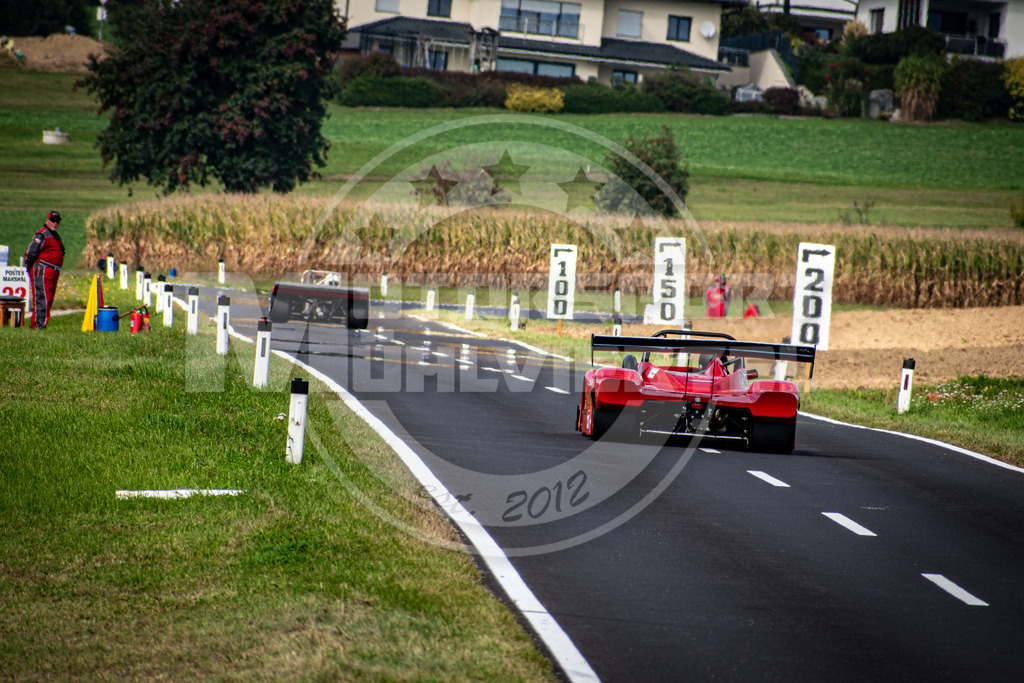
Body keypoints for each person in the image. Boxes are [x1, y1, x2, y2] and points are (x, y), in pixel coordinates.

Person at [24, 210, 66, 329]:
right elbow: (31, 253)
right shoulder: (42, 234)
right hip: (43, 270)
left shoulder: (55, 236)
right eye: (53, 220)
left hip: (53, 271)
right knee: (42, 298)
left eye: (57, 221)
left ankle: (42, 324)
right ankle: (37, 325)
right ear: (47, 221)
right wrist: (29, 269)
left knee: (48, 299)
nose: (55, 223)